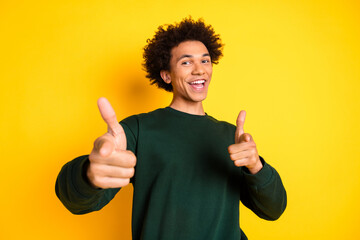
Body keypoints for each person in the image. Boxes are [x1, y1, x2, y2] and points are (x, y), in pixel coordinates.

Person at [56, 17, 287, 240]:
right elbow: (75, 200)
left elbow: (273, 209)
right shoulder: (138, 129)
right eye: (186, 62)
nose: (199, 70)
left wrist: (256, 166)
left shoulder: (231, 136)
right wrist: (89, 174)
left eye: (205, 60)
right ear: (166, 75)